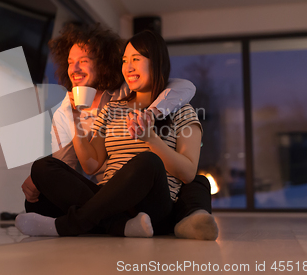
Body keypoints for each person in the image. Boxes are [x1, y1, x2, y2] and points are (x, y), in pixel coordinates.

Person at [20, 24, 218, 239]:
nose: (128, 67)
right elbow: (91, 164)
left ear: (157, 63)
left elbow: (188, 173)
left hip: (153, 206)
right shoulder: (113, 108)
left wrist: (151, 138)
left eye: (136, 59)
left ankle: (67, 225)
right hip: (108, 200)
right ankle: (119, 226)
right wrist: (75, 121)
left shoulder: (181, 109)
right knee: (42, 167)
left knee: (148, 162)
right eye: (125, 60)